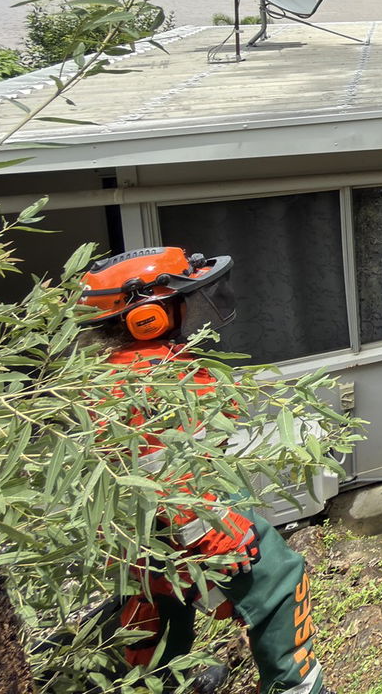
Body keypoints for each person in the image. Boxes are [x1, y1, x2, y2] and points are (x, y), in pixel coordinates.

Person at [78, 247, 329, 694]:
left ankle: (156, 683)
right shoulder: (155, 380)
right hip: (189, 517)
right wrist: (221, 540)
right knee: (279, 578)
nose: (192, 310)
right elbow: (165, 478)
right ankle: (297, 687)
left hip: (133, 536)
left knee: (156, 600)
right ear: (146, 317)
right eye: (182, 299)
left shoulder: (107, 376)